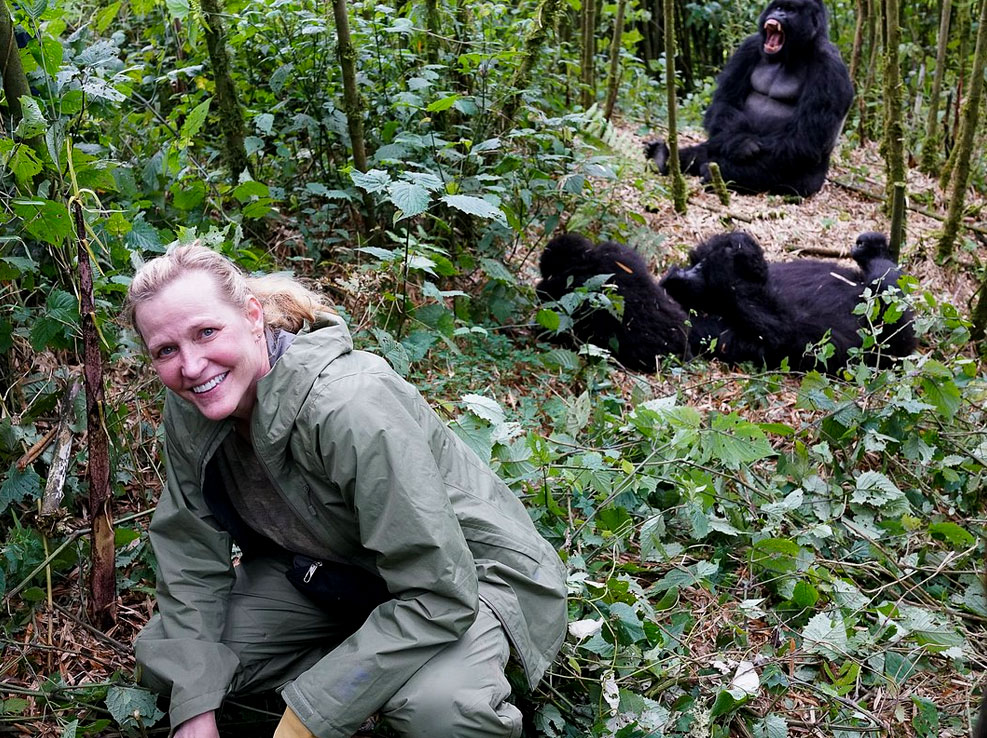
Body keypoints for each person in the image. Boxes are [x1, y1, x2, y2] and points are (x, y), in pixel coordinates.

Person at [125, 242, 568, 738]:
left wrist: (305, 721)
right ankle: (369, 674)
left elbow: (438, 589)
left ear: (252, 316)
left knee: (439, 712)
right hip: (334, 573)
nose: (191, 366)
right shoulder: (190, 408)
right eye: (166, 350)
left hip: (472, 577)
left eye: (206, 333)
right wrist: (195, 714)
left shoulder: (349, 405)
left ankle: (414, 679)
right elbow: (190, 556)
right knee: (180, 665)